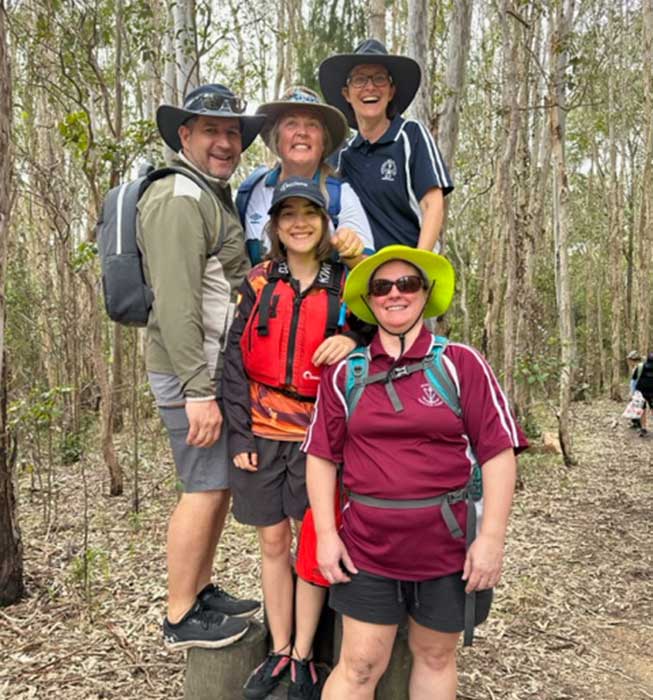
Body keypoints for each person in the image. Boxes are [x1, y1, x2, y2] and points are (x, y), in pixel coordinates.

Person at [303, 245, 528, 700]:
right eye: (382, 287)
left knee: (436, 655)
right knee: (360, 664)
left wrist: (492, 539)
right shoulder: (346, 373)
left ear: (425, 294)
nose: (394, 294)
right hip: (367, 546)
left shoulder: (461, 364)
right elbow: (322, 456)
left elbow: (498, 452)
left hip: (447, 547)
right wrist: (327, 535)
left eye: (407, 284)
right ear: (369, 300)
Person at [222, 177, 373, 700]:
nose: (300, 223)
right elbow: (232, 362)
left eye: (311, 212)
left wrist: (350, 335)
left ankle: (306, 654)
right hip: (262, 433)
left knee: (311, 547)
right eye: (289, 214)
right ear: (276, 225)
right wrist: (238, 431)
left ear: (327, 221)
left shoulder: (348, 280)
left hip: (321, 440)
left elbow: (379, 331)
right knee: (271, 542)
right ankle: (279, 648)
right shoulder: (260, 281)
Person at [137, 83, 264, 650]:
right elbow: (175, 302)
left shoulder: (211, 195)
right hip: (193, 372)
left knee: (217, 485)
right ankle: (178, 612)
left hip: (213, 369)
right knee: (203, 487)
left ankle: (200, 589)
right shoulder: (178, 200)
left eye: (232, 132)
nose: (223, 142)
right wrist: (197, 390)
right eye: (210, 130)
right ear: (184, 135)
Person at [319, 39, 454, 252]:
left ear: (391, 91)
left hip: (410, 272)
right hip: (362, 273)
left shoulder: (410, 135)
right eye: (360, 79)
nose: (370, 87)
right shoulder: (342, 155)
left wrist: (418, 264)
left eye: (379, 79)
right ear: (346, 93)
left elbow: (433, 204)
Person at [236, 85, 375, 265]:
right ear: (276, 139)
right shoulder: (252, 191)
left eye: (312, 125)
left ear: (323, 142)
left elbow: (368, 272)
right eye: (291, 123)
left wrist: (352, 254)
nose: (302, 132)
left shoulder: (340, 197)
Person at [634, 352, 653, 437]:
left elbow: (634, 379)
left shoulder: (640, 366)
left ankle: (643, 428)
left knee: (642, 410)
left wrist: (632, 392)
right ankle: (643, 428)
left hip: (641, 392)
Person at [626, 350, 643, 430]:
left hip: (638, 390)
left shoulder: (639, 368)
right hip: (637, 390)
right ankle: (635, 423)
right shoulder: (636, 367)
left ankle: (639, 425)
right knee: (634, 406)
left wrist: (632, 392)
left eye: (629, 360)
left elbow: (634, 381)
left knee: (638, 407)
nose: (629, 362)